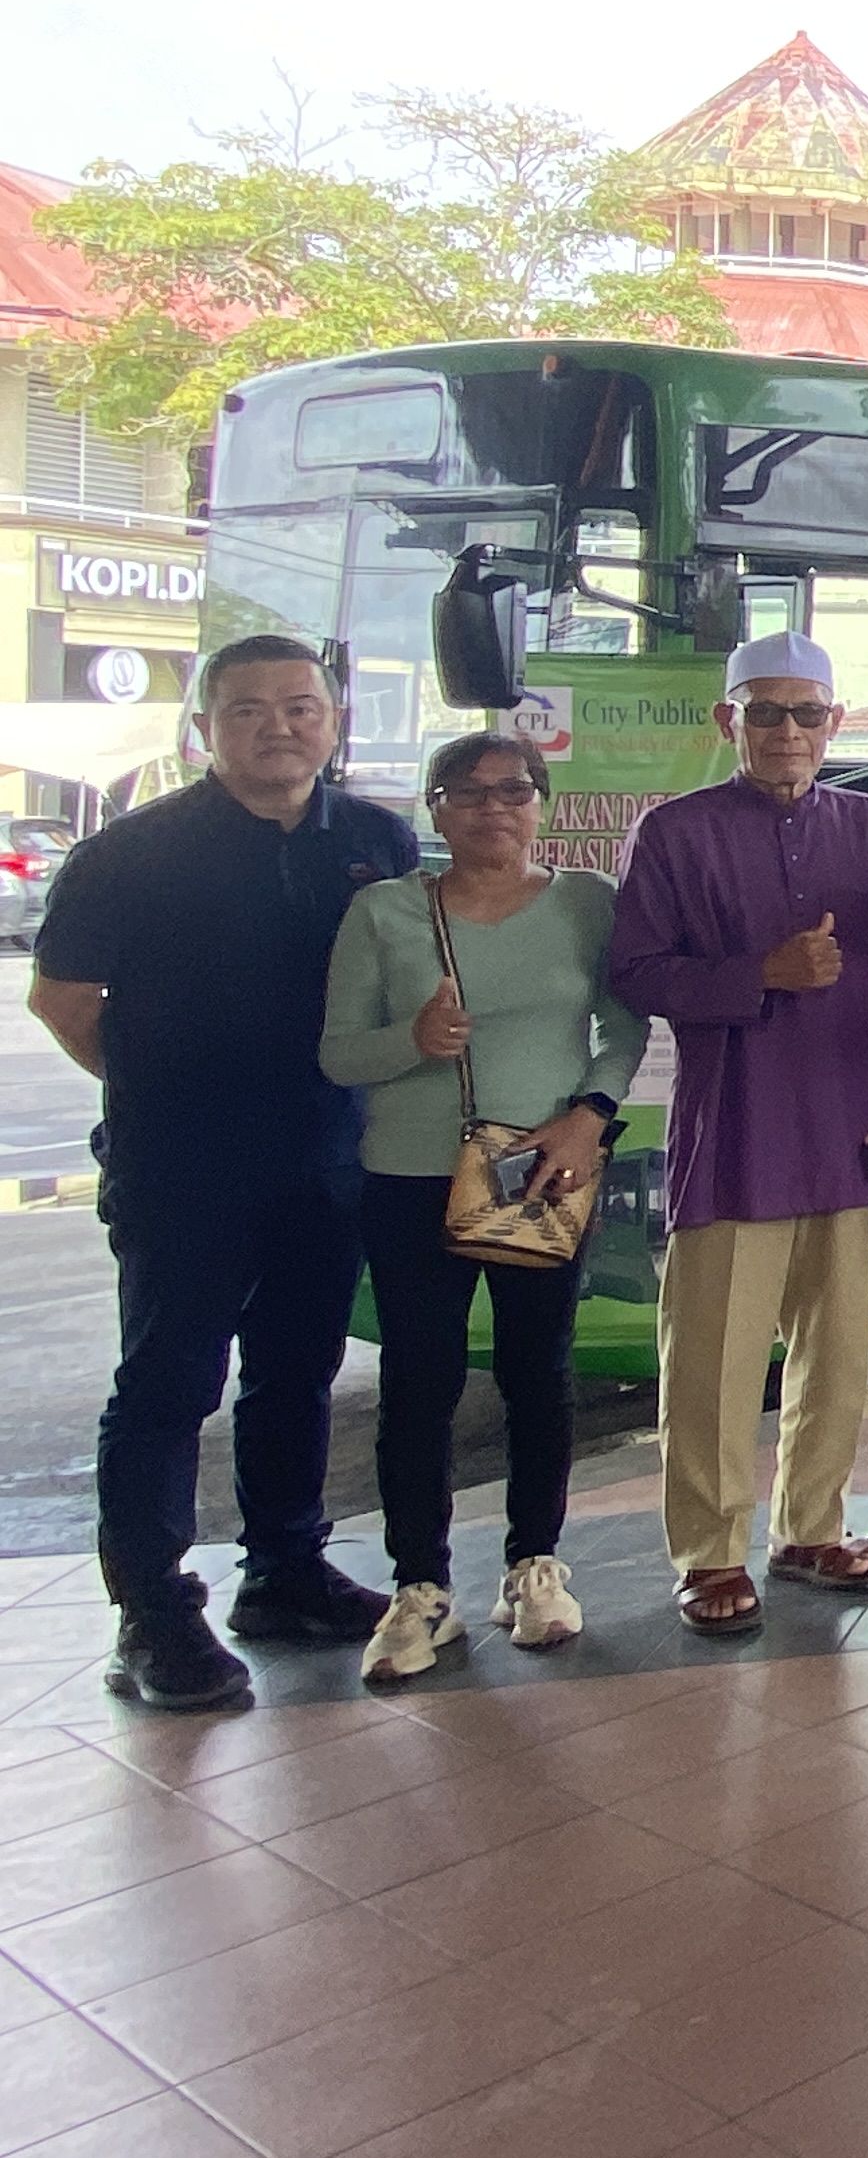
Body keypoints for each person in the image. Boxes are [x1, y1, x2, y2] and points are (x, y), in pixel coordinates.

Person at [43, 636, 419, 1709]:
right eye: (247, 710)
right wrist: (167, 1090)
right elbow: (65, 1004)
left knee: (296, 1374)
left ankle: (284, 1571)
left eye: (301, 706)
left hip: (327, 1160)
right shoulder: (130, 854)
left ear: (334, 722)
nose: (278, 726)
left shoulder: (378, 842)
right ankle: (151, 1614)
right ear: (204, 730)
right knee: (167, 1386)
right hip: (182, 1171)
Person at [608, 632, 868, 1636]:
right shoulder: (675, 833)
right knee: (713, 1355)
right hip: (737, 1127)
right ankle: (710, 1552)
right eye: (765, 712)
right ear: (730, 721)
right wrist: (759, 974)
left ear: (835, 723)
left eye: (806, 713)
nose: (787, 731)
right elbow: (636, 972)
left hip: (851, 1122)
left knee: (837, 1348)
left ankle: (810, 1528)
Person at [321, 732, 651, 1680]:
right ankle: (421, 1590)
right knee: (419, 1384)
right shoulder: (384, 911)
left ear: (541, 803)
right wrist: (413, 1040)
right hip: (411, 1179)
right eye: (466, 793)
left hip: (541, 1174)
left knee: (537, 1373)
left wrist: (589, 1117)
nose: (493, 808)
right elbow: (338, 1055)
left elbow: (623, 1027)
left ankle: (533, 1566)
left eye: (514, 790)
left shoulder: (587, 900)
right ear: (434, 809)